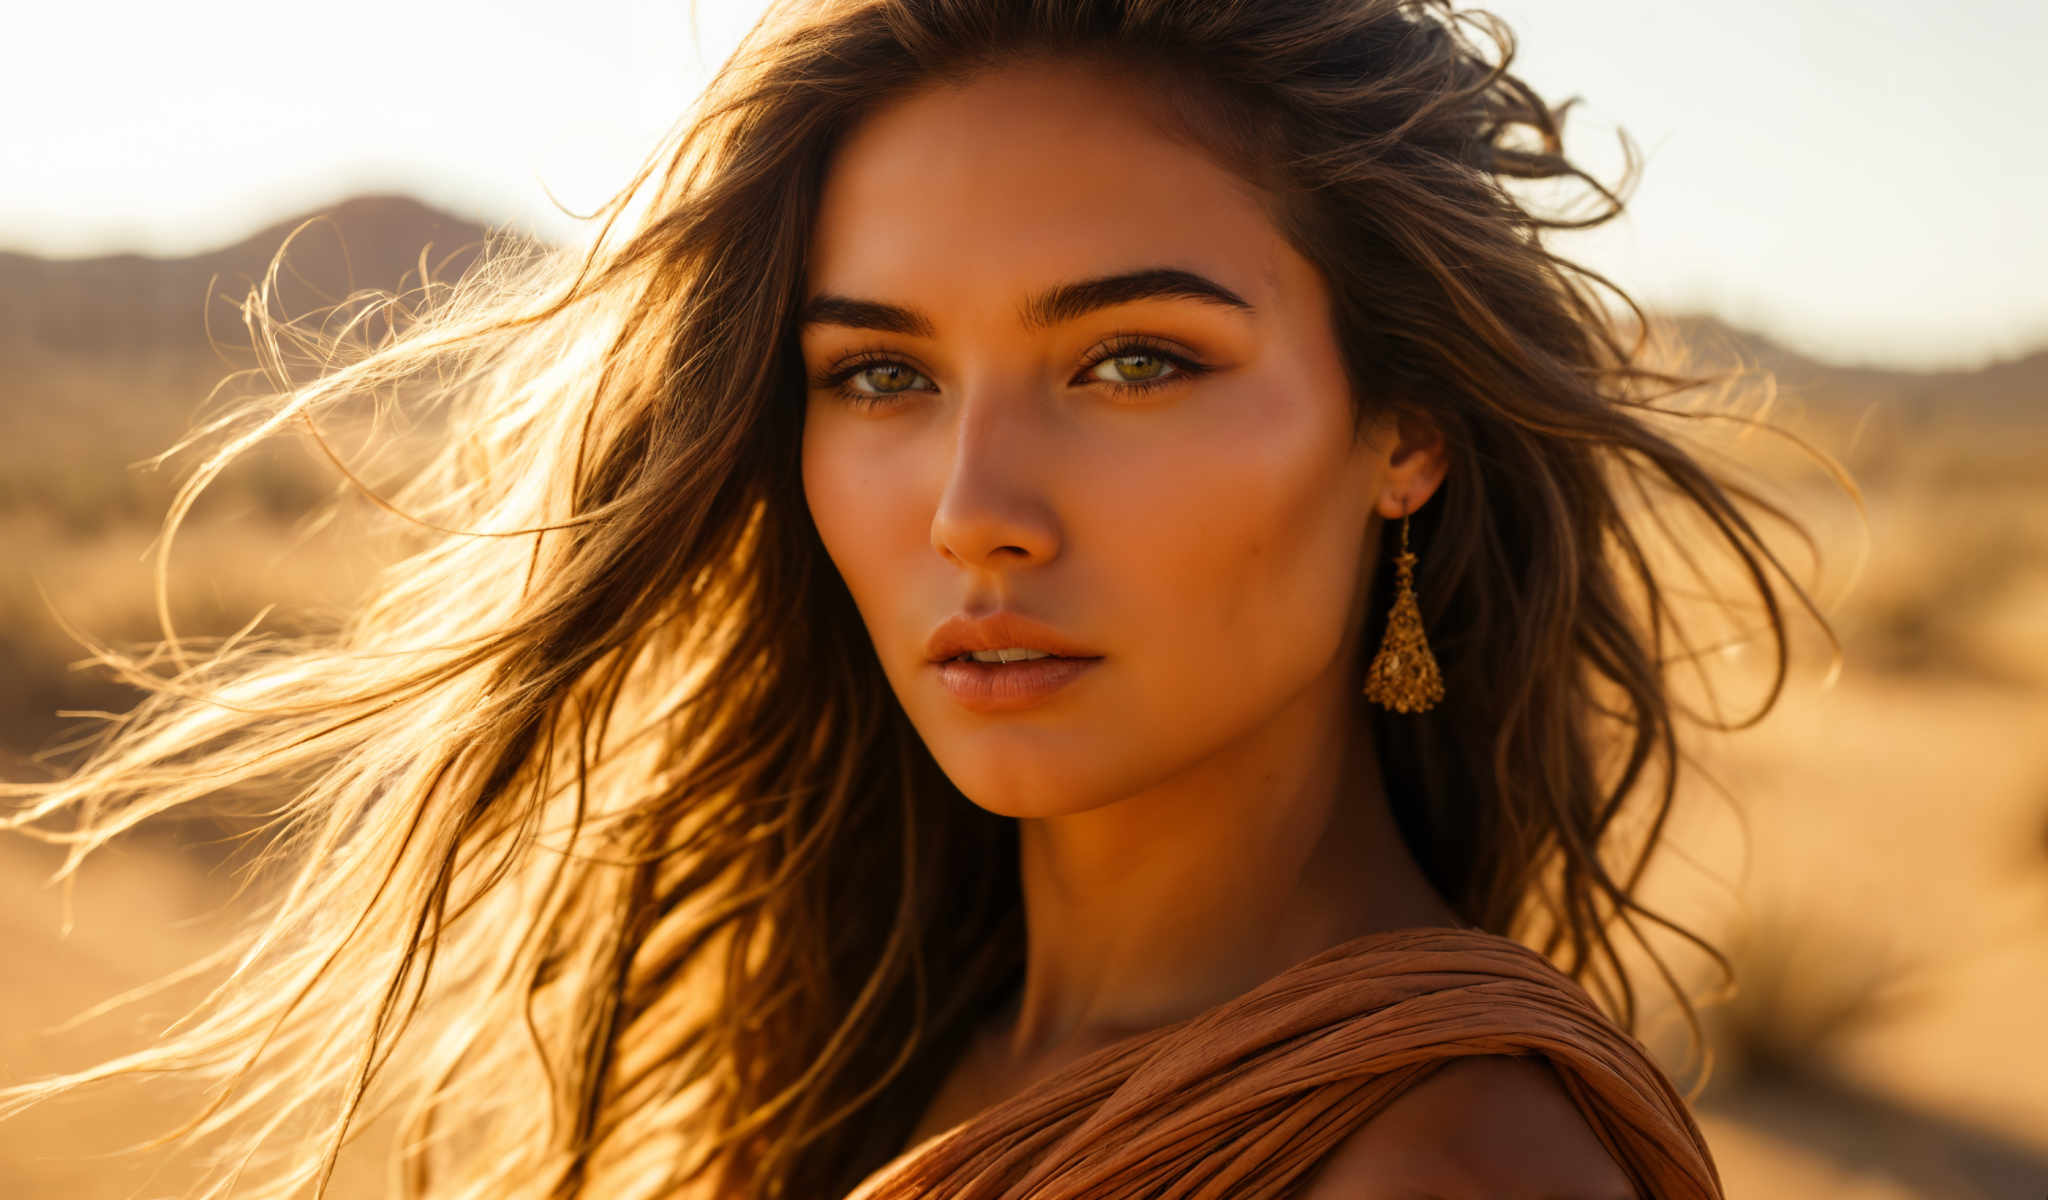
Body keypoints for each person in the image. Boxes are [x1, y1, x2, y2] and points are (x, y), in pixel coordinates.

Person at [2, 0, 1834, 1196]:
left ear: (1403, 434)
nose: (976, 513)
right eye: (882, 377)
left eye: (1131, 362)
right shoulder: (878, 1034)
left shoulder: (1443, 1168)